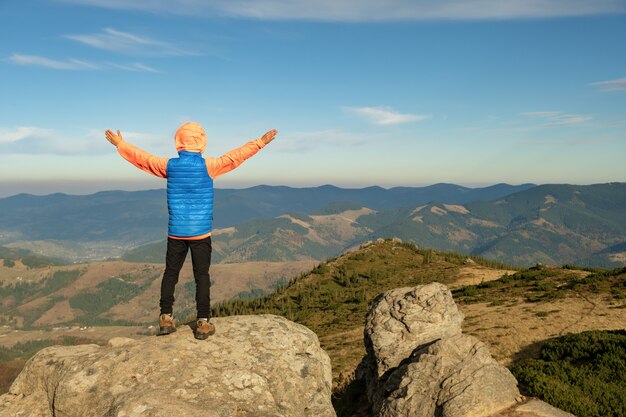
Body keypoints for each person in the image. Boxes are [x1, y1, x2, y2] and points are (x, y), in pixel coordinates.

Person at [105, 122, 277, 340]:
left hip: (176, 232)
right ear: (202, 141)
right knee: (202, 276)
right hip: (201, 233)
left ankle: (166, 317)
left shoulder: (170, 166)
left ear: (179, 141)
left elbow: (143, 159)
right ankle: (203, 322)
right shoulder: (210, 166)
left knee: (170, 273)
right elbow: (235, 157)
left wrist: (121, 144)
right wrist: (260, 143)